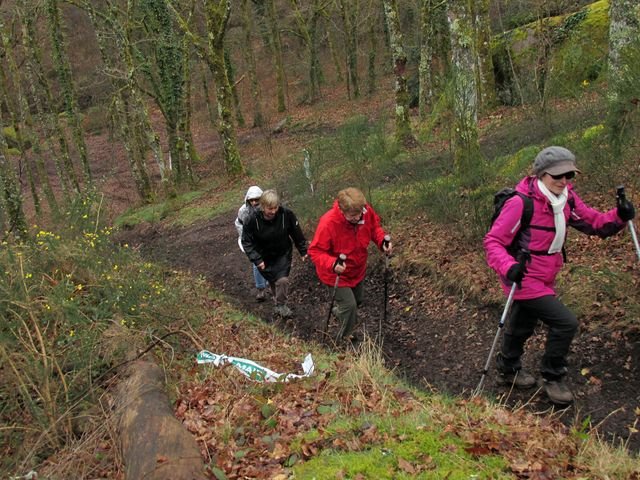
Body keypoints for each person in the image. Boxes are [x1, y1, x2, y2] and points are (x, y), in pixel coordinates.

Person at [484, 146, 635, 405]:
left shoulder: (567, 199)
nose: (564, 181)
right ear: (541, 174)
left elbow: (595, 223)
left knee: (523, 323)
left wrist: (620, 216)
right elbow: (493, 242)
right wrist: (509, 267)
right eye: (557, 175)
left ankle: (508, 369)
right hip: (522, 275)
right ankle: (553, 377)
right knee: (566, 323)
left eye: (569, 175)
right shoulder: (520, 203)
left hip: (546, 274)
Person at [309, 187, 392, 343]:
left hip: (357, 269)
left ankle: (340, 311)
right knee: (350, 306)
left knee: (358, 300)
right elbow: (315, 251)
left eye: (359, 213)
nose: (358, 217)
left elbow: (374, 228)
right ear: (342, 210)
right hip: (335, 273)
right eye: (353, 215)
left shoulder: (365, 212)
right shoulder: (328, 223)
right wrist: (332, 263)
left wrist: (382, 242)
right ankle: (343, 338)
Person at [241, 189, 308, 318]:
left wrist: (302, 250)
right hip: (263, 255)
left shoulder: (286, 214)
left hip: (282, 253)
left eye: (275, 208)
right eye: (270, 209)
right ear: (262, 206)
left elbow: (296, 232)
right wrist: (257, 259)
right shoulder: (252, 219)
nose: (273, 211)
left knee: (282, 279)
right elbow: (246, 242)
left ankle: (281, 305)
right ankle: (278, 302)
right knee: (273, 279)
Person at [235, 186, 268, 302]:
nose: (254, 202)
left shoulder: (267, 208)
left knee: (270, 260)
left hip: (267, 238)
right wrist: (246, 240)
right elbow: (239, 224)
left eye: (256, 200)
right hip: (252, 240)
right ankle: (261, 289)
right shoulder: (243, 211)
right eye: (251, 200)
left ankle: (271, 284)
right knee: (257, 263)